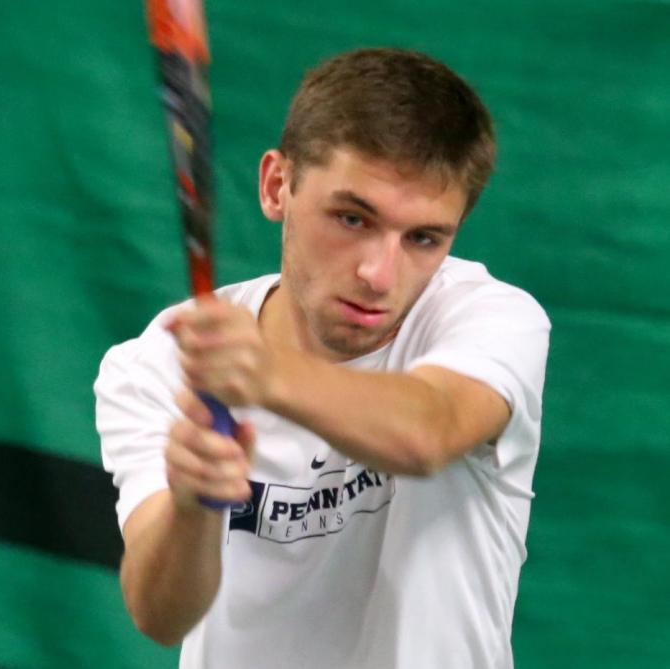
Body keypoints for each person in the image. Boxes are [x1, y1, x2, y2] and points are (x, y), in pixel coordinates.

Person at [94, 48, 550, 668]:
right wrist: (193, 504)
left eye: (423, 238)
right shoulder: (154, 367)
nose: (378, 274)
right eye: (352, 218)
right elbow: (159, 614)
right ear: (277, 185)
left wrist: (266, 374)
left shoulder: (491, 320)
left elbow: (428, 430)